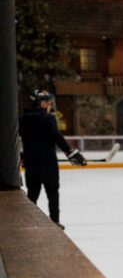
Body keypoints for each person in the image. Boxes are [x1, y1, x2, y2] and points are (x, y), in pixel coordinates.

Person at [18, 89, 87, 228]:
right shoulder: (48, 118)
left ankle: (28, 222)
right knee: (52, 193)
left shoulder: (22, 119)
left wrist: (22, 157)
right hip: (48, 164)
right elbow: (57, 137)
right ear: (38, 103)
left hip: (31, 164)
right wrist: (70, 152)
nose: (49, 104)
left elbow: (16, 140)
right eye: (46, 101)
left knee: (32, 194)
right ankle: (54, 222)